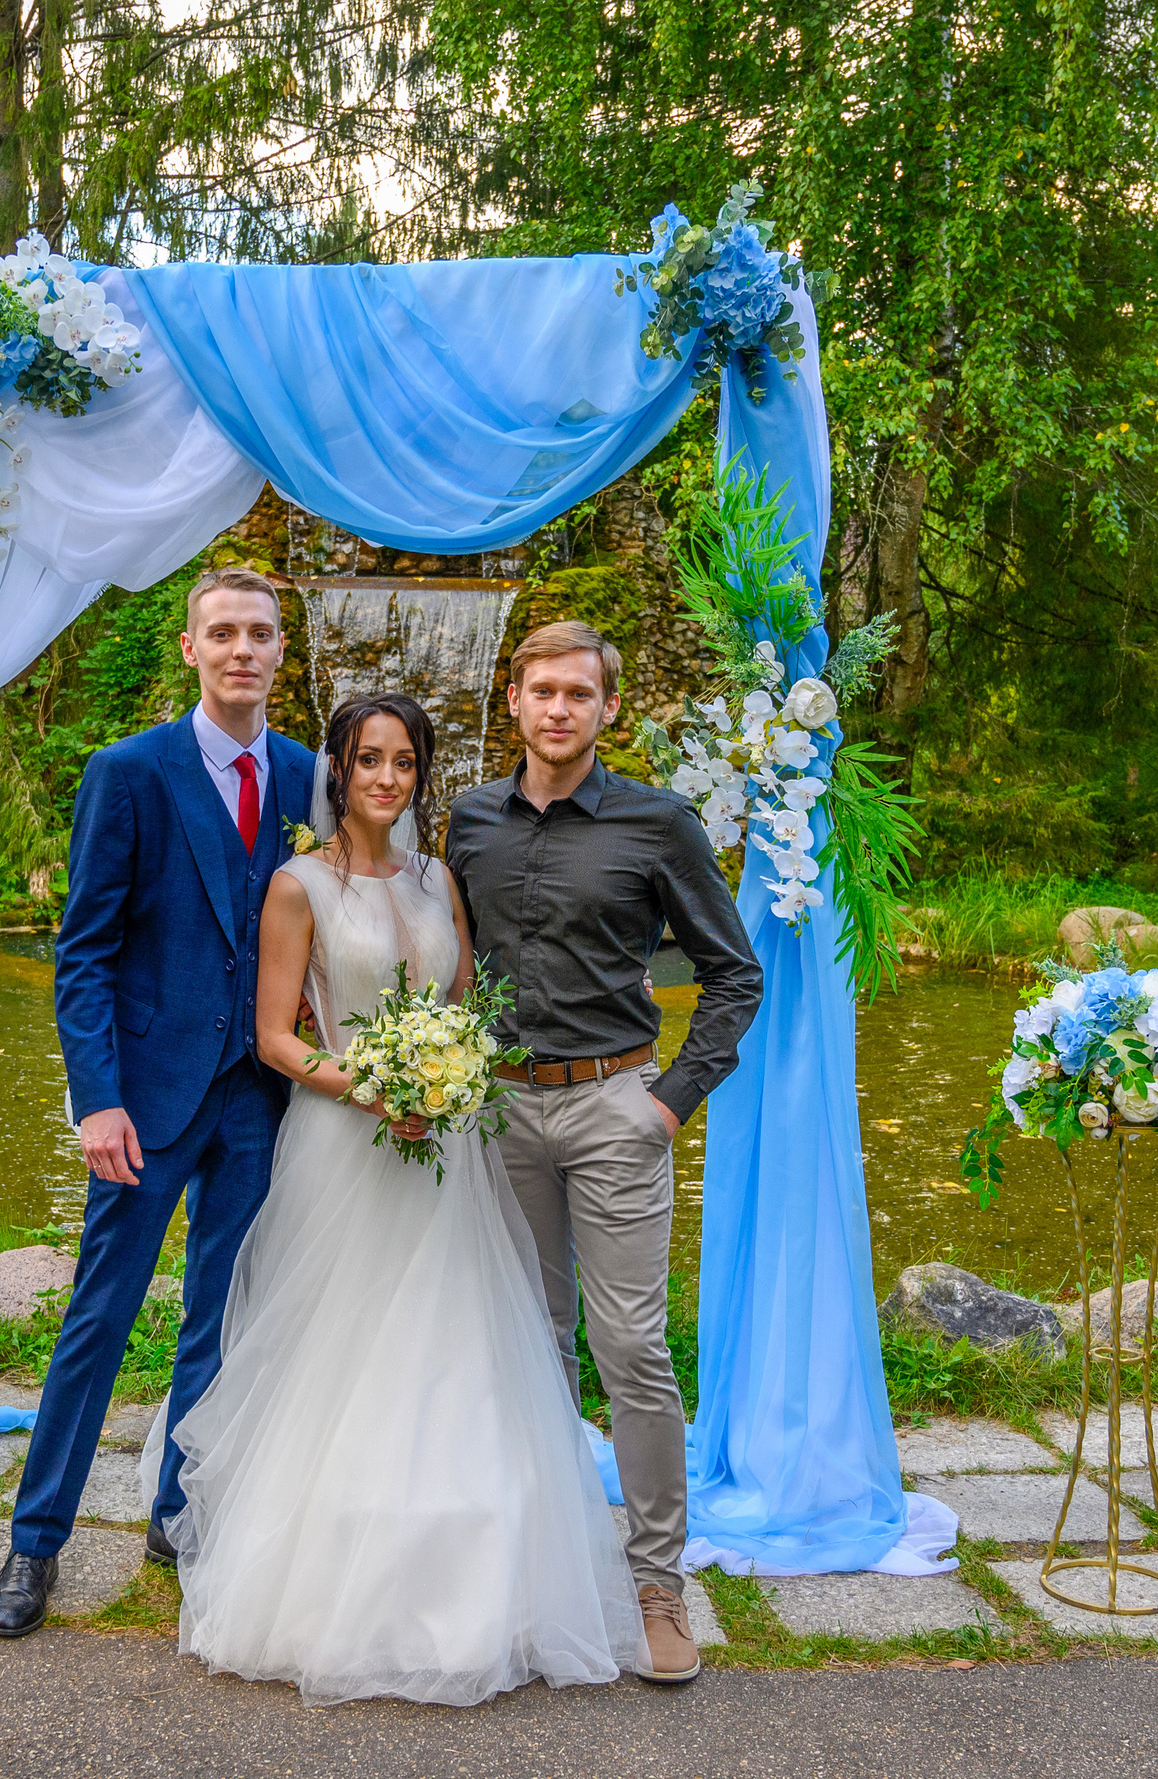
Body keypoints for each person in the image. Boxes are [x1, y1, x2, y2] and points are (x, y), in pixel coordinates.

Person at [161, 691, 644, 1706]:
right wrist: (375, 1086)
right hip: (347, 1143)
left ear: (421, 776)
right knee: (345, 1349)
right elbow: (277, 1038)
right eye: (368, 760)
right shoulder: (297, 885)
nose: (386, 779)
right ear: (337, 769)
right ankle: (324, 1573)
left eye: (404, 763)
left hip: (447, 1145)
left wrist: (450, 1075)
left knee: (458, 1343)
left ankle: (482, 1572)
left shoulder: (439, 879)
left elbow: (462, 1004)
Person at [0, 566, 316, 1639]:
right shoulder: (127, 773)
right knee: (99, 1321)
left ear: (279, 651)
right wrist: (96, 1102)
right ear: (190, 650)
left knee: (220, 1319)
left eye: (259, 634)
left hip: (257, 1100)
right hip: (147, 1101)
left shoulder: (309, 776)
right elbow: (82, 952)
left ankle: (178, 1505)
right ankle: (35, 1545)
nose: (241, 652)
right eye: (221, 633)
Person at [443, 620, 764, 1686]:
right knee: (531, 1344)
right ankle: (539, 1568)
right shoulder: (470, 820)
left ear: (606, 709)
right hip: (497, 1113)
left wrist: (668, 1102)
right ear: (515, 700)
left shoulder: (658, 823)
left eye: (578, 694)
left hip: (614, 1108)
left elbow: (733, 975)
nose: (558, 709)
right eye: (541, 691)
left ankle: (656, 1584)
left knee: (631, 1351)